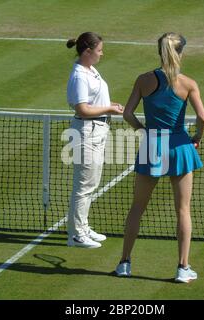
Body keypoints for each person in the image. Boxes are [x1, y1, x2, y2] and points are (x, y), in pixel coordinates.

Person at [115, 32, 204, 282]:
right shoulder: (188, 83)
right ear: (181, 53)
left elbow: (128, 114)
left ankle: (124, 263)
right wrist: (197, 137)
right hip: (179, 147)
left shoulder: (143, 80)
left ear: (160, 52)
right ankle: (182, 268)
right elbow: (203, 117)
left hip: (152, 146)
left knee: (137, 207)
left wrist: (143, 131)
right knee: (183, 210)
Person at [66, 32, 124, 249]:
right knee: (83, 186)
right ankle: (76, 235)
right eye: (99, 50)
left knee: (91, 183)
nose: (102, 53)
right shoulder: (80, 75)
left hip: (98, 129)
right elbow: (82, 108)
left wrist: (110, 105)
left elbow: (93, 101)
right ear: (88, 52)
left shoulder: (91, 70)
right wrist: (109, 108)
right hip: (86, 132)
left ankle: (83, 227)